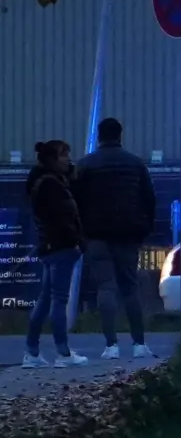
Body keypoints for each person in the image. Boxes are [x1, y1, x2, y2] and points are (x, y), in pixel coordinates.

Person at [73, 118, 156, 360]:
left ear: (99, 136)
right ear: (120, 135)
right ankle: (139, 344)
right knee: (130, 287)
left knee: (105, 287)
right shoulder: (135, 163)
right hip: (129, 234)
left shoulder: (86, 164)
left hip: (97, 235)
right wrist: (144, 228)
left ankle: (111, 345)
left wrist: (81, 234)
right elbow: (149, 199)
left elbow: (75, 201)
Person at [21, 141, 89, 369]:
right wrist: (77, 241)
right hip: (61, 246)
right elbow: (63, 217)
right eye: (64, 155)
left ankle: (32, 351)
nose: (68, 159)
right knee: (59, 299)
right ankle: (63, 352)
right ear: (52, 159)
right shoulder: (52, 185)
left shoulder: (41, 181)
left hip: (48, 246)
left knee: (46, 298)